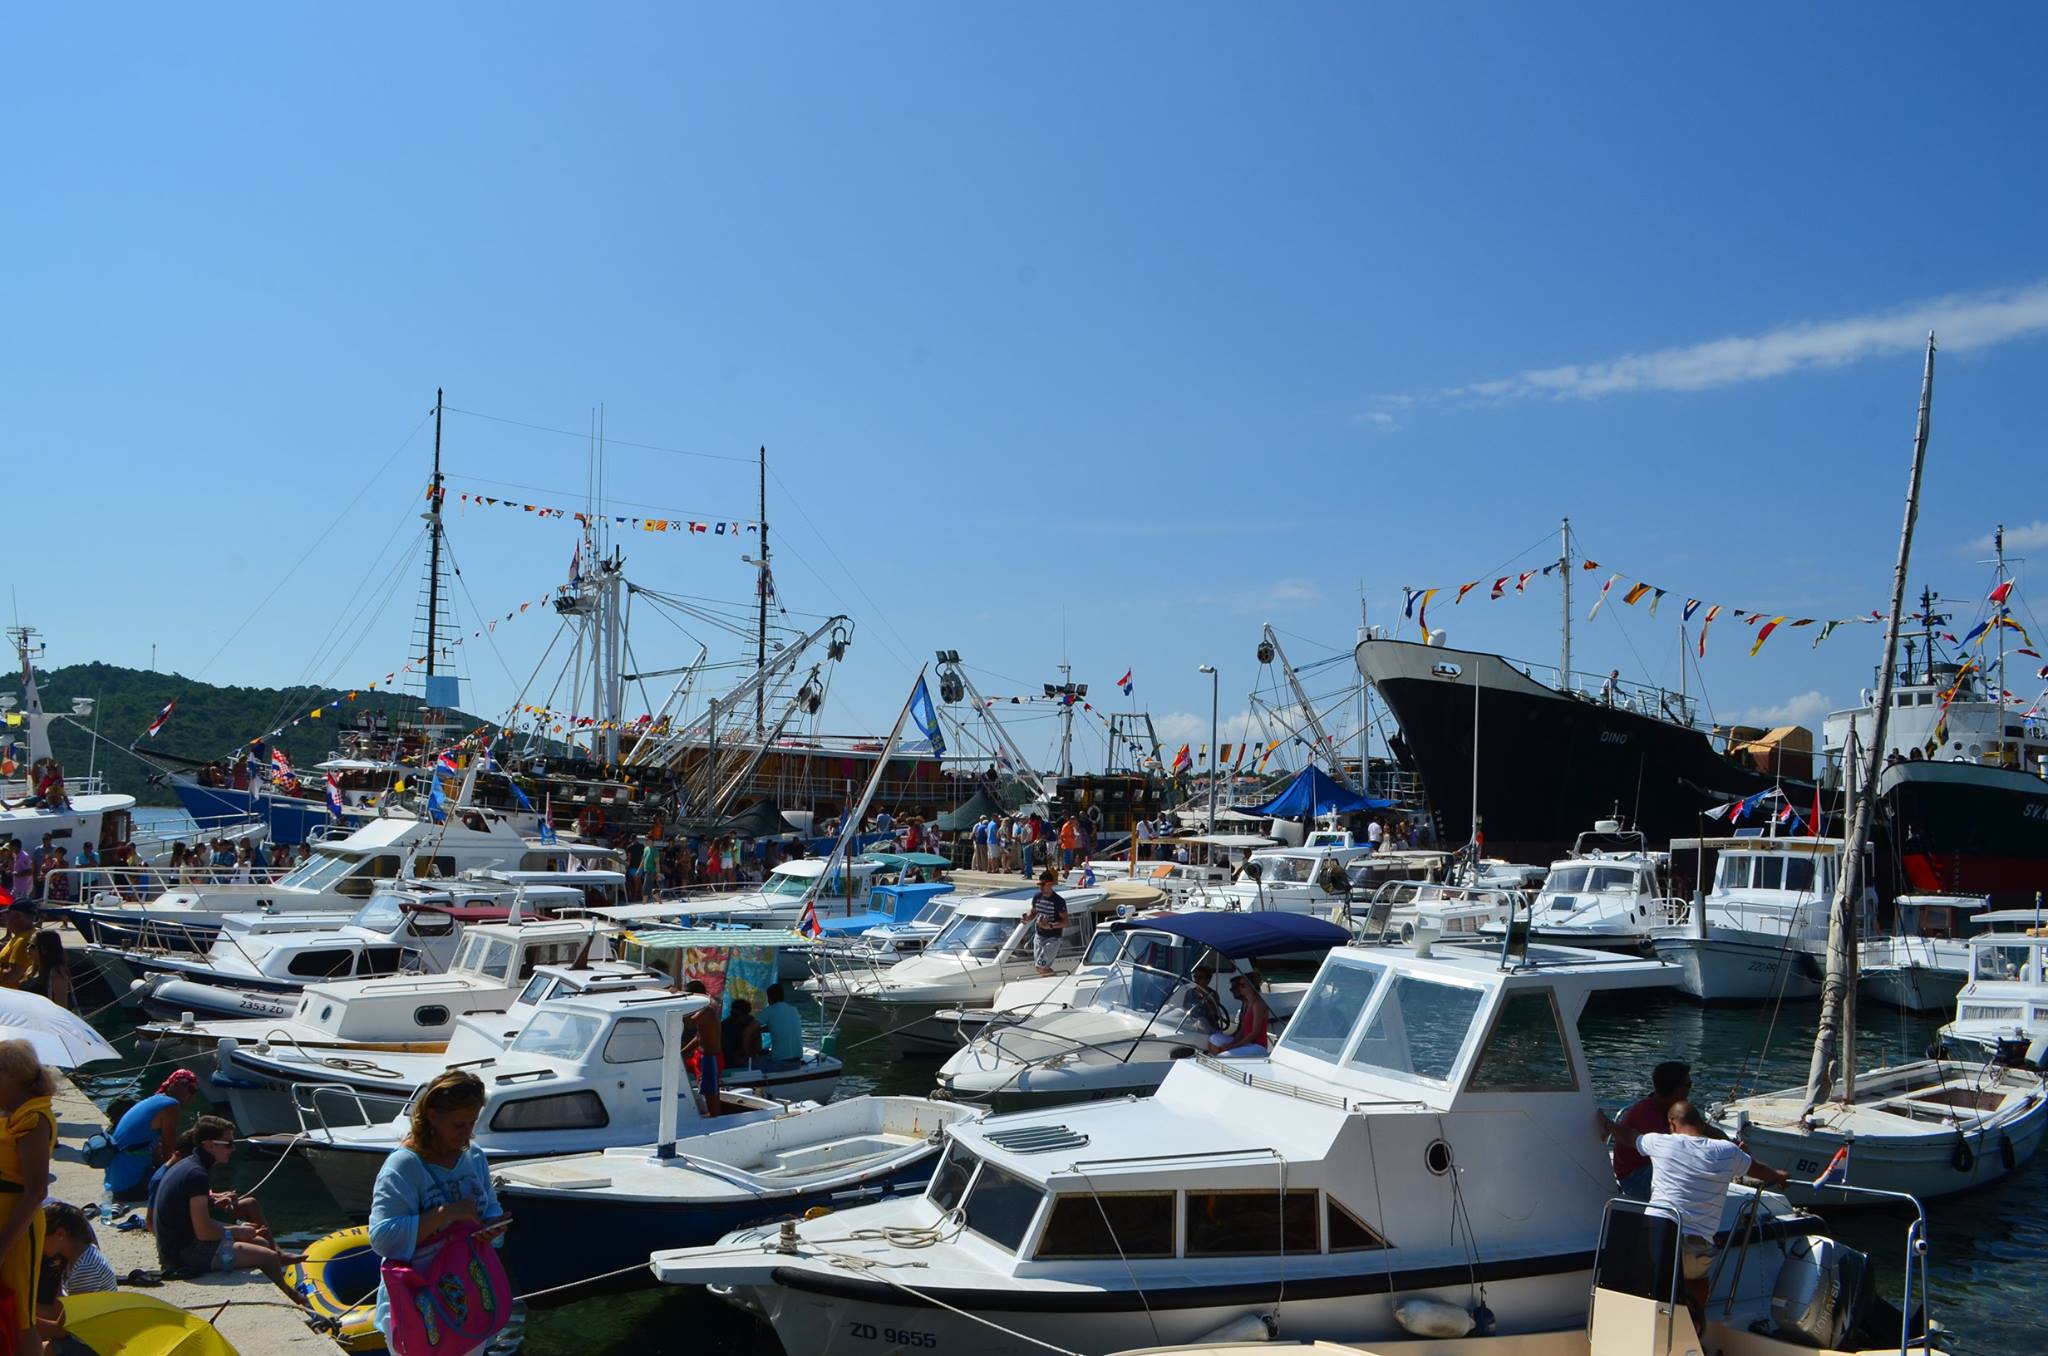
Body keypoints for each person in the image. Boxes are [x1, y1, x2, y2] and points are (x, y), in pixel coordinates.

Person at [1597, 1099, 1790, 1326]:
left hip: (1660, 1235)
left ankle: (1649, 1327)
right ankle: (1692, 1326)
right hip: (1697, 1244)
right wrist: (1778, 1175)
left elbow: (1630, 1136)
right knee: (1697, 1282)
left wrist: (1608, 1124)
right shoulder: (1727, 1151)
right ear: (1700, 1123)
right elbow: (1758, 1170)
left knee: (1654, 1285)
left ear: (1672, 1123)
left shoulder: (1661, 1142)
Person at [368, 1072, 507, 1350]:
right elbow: (382, 1239)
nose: (466, 1132)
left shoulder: (474, 1155)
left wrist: (493, 1226)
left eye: (471, 1123)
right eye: (458, 1124)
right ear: (432, 1116)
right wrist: (445, 1213)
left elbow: (489, 1206)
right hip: (420, 1303)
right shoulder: (404, 1166)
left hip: (470, 1297)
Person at [152, 1116, 299, 1289]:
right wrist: (238, 1231)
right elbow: (204, 1232)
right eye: (228, 1144)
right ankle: (297, 1299)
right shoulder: (196, 1174)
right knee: (268, 1257)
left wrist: (234, 1224)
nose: (233, 1148)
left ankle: (288, 1284)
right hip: (183, 1254)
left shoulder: (189, 1165)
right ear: (209, 1145)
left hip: (177, 1246)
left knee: (262, 1243)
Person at [0, 1039, 54, 1353]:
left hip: (16, 1227)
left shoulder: (34, 1118)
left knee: (21, 1317)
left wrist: (2, 1246)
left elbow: (36, 1191)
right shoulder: (13, 1113)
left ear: (11, 1077)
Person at [1608, 1061, 1703, 1200]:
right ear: (1676, 1089)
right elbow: (1677, 1153)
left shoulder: (1668, 1108)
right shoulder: (1647, 1115)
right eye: (1688, 1085)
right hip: (1635, 1177)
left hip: (1648, 1166)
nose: (1690, 1090)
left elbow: (1702, 1130)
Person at [105, 1069, 199, 1204]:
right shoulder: (171, 1106)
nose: (191, 1095)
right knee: (186, 1186)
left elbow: (157, 1152)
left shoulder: (154, 1100)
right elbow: (169, 1152)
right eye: (190, 1089)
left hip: (116, 1183)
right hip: (130, 1187)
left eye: (195, 1092)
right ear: (175, 1084)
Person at [679, 981, 726, 1112]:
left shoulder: (706, 1010)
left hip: (710, 1058)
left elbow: (689, 1022)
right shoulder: (702, 1009)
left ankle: (715, 1118)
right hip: (701, 1056)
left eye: (687, 995)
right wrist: (682, 1052)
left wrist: (674, 1008)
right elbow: (699, 1036)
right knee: (706, 1090)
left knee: (711, 1093)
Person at [1210, 973, 1271, 1057]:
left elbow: (1255, 1033)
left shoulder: (1258, 1004)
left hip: (1257, 1046)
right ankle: (1214, 1059)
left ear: (1252, 987)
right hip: (1246, 1042)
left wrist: (1233, 1046)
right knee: (1214, 1038)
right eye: (1239, 985)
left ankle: (1217, 1061)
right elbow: (1242, 1029)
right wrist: (1232, 1043)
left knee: (1222, 1056)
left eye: (1243, 985)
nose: (1239, 988)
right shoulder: (1246, 1003)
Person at [1029, 869, 1068, 977]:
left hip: (1053, 938)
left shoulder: (1058, 901)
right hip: (1039, 936)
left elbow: (1065, 922)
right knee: (1039, 967)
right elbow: (1033, 912)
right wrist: (1027, 917)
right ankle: (1054, 981)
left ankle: (1056, 983)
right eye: (1039, 885)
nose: (1040, 887)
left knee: (1041, 967)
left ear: (1050, 884)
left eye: (1043, 885)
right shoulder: (1037, 897)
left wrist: (1049, 926)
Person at [759, 984, 805, 1072]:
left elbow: (751, 1027)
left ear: (769, 997)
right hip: (797, 1063)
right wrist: (760, 1030)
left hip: (780, 1064)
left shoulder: (770, 1010)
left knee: (747, 1061)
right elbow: (776, 1026)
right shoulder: (793, 1010)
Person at [21, 932, 71, 1010]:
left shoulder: (56, 973)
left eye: (32, 946)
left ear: (45, 949)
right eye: (27, 944)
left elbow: (62, 1006)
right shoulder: (31, 969)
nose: (28, 948)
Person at [1178, 963, 1228, 1034]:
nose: (1196, 980)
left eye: (1200, 977)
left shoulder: (1213, 995)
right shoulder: (1189, 993)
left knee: (1201, 1021)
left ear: (1208, 980)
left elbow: (1213, 1016)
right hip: (1192, 1025)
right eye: (1195, 977)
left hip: (1208, 1027)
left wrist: (1204, 998)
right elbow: (1185, 1009)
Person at [721, 998, 762, 1072]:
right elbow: (727, 1053)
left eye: (737, 1015)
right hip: (731, 1062)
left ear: (746, 1013)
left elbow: (757, 1042)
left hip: (749, 1058)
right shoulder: (725, 1026)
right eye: (734, 1015)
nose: (735, 1018)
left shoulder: (750, 1021)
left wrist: (754, 1054)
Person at [0, 903, 34, 988]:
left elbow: (13, 976)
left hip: (8, 992)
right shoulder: (21, 935)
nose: (3, 917)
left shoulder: (23, 940)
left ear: (18, 918)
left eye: (8, 914)